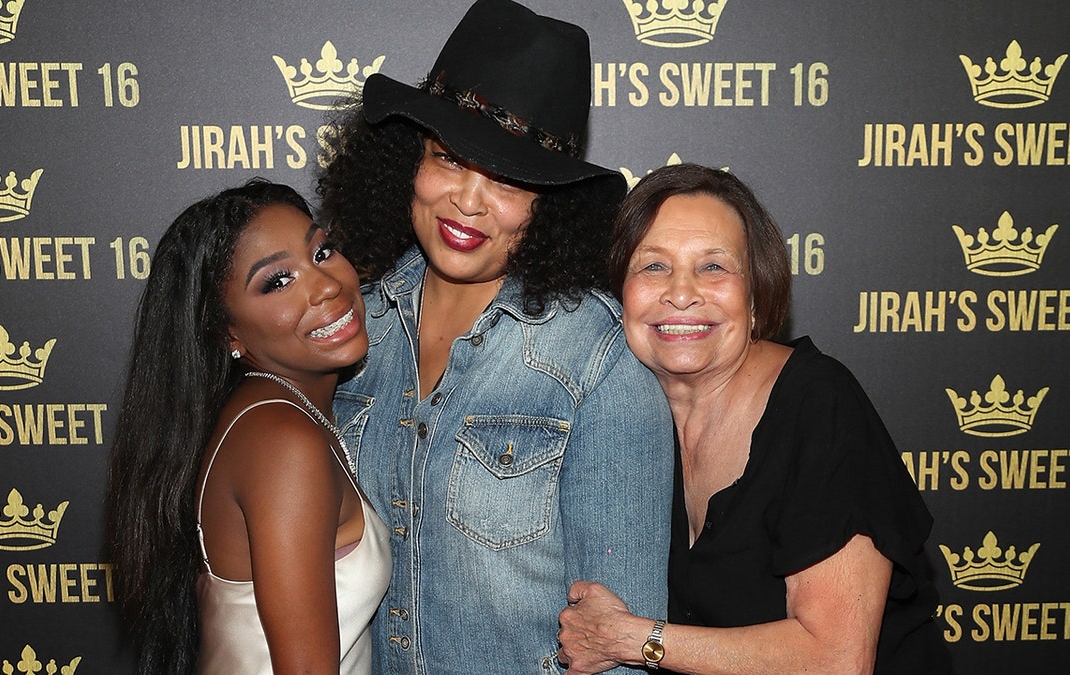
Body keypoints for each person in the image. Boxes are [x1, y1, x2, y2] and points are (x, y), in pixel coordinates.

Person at [316, 0, 673, 672]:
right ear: (405, 164)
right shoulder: (348, 334)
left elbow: (620, 650)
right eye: (447, 159)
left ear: (549, 204)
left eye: (508, 180)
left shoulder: (598, 363)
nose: (469, 200)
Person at [556, 164, 952, 674]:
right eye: (653, 267)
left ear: (756, 296)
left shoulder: (818, 405)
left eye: (714, 267)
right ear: (618, 293)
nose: (681, 292)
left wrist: (633, 640)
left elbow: (835, 659)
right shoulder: (615, 414)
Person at [105, 179, 390, 674]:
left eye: (322, 252)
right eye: (277, 281)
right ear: (227, 333)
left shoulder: (268, 413)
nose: (326, 285)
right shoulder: (282, 438)